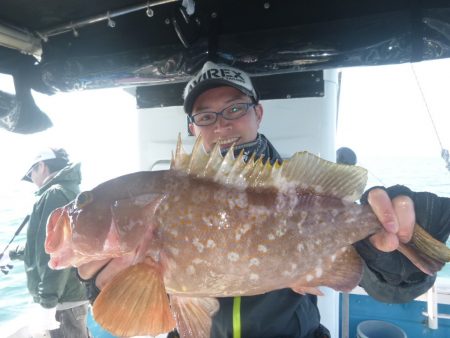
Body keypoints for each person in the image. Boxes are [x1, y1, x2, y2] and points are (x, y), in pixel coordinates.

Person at [78, 61, 450, 338]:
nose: (222, 125)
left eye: (235, 108)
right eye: (206, 116)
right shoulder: (164, 197)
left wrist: (401, 231)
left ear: (258, 112)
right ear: (193, 127)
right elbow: (143, 312)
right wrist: (107, 285)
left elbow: (387, 286)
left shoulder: (299, 191)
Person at [9, 148, 90, 338]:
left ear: (42, 166)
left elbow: (57, 253)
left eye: (31, 174)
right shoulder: (67, 191)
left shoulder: (54, 194)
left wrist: (47, 302)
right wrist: (12, 253)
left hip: (63, 302)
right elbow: (42, 246)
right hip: (69, 296)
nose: (32, 180)